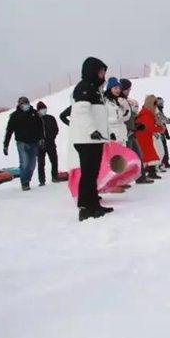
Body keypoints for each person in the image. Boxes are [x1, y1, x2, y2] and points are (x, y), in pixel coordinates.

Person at [69, 57, 114, 221]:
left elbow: (99, 115)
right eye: (101, 71)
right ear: (92, 71)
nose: (103, 74)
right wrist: (92, 130)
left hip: (95, 138)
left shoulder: (95, 89)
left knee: (93, 173)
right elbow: (82, 112)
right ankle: (85, 208)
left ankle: (94, 204)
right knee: (88, 174)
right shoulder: (84, 88)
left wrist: (105, 133)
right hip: (86, 138)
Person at [4, 96, 44, 191]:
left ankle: (27, 178)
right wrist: (6, 144)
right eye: (23, 104)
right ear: (20, 105)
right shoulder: (14, 116)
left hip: (34, 142)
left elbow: (40, 127)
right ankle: (24, 182)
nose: (26, 106)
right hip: (22, 143)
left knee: (32, 164)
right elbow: (9, 131)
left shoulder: (34, 113)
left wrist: (41, 138)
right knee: (24, 163)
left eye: (27, 103)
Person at [135, 95, 164, 180]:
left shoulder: (146, 113)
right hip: (144, 137)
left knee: (149, 154)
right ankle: (150, 172)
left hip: (145, 136)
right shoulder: (146, 114)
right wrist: (160, 129)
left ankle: (150, 171)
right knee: (150, 154)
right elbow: (150, 127)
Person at [36, 101, 62, 185]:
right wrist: (39, 139)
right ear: (38, 110)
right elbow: (32, 131)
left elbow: (56, 129)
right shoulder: (35, 119)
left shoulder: (51, 118)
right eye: (42, 109)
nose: (44, 110)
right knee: (41, 162)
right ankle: (42, 180)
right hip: (39, 144)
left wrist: (52, 137)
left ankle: (55, 176)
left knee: (54, 159)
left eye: (44, 108)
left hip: (50, 142)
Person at [156, 97, 170, 169]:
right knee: (161, 148)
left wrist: (167, 134)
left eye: (162, 102)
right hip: (159, 133)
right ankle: (161, 162)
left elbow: (164, 124)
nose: (161, 104)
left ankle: (165, 162)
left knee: (164, 147)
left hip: (162, 132)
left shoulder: (160, 111)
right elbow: (163, 121)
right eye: (159, 102)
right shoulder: (156, 111)